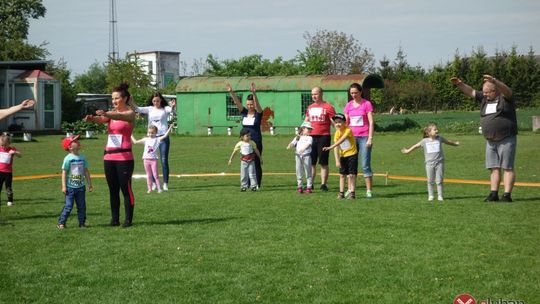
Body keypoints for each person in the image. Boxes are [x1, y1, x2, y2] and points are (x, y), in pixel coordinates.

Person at [451, 75, 517, 202]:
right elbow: (471, 91)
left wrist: (495, 81)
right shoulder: (484, 99)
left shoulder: (505, 98)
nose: (485, 95)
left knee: (507, 167)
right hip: (490, 140)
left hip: (506, 138)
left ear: (495, 90)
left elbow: (508, 91)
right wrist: (459, 84)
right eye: (484, 92)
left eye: (487, 92)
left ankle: (507, 195)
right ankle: (494, 194)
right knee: (494, 167)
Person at [84, 83, 136, 227]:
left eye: (117, 98)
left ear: (125, 98)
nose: (114, 101)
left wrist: (106, 113)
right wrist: (92, 119)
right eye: (112, 98)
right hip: (109, 157)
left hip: (124, 158)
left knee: (126, 189)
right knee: (113, 190)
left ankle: (128, 220)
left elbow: (119, 115)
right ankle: (114, 220)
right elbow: (101, 119)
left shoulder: (130, 113)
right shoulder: (111, 113)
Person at [400, 122, 460, 201]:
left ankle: (440, 196)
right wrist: (408, 151)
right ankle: (431, 195)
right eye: (435, 130)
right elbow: (415, 146)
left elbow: (448, 142)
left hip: (440, 163)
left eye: (437, 129)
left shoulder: (440, 138)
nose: (437, 131)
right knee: (430, 181)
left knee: (439, 180)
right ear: (429, 133)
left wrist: (455, 143)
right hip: (429, 164)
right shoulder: (424, 141)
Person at [132, 92, 176, 191]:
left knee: (164, 160)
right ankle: (153, 183)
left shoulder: (165, 109)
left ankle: (165, 183)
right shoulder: (150, 109)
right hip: (151, 139)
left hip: (163, 138)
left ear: (161, 100)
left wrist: (173, 106)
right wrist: (131, 101)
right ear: (152, 101)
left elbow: (171, 110)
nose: (156, 102)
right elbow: (138, 108)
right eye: (154, 100)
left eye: (158, 100)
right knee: (149, 160)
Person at [227, 82, 264, 188]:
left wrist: (254, 93)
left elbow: (258, 106)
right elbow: (237, 103)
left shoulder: (258, 114)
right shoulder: (244, 113)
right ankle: (246, 184)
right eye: (248, 104)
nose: (249, 106)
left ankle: (256, 184)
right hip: (245, 144)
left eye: (251, 104)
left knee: (256, 163)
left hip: (256, 142)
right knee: (246, 163)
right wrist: (231, 92)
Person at [343, 83, 375, 198]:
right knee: (351, 165)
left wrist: (370, 138)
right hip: (351, 138)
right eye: (351, 93)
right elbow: (345, 123)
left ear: (361, 92)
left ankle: (369, 190)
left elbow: (371, 122)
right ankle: (351, 190)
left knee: (365, 164)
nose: (354, 95)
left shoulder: (367, 104)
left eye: (355, 92)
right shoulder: (348, 106)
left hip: (365, 137)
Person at [57, 135, 93, 229]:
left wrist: (89, 184)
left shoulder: (82, 157)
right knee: (68, 206)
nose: (77, 142)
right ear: (69, 147)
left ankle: (82, 223)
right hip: (70, 188)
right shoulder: (68, 158)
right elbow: (64, 173)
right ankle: (61, 223)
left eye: (77, 140)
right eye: (74, 141)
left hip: (81, 187)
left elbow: (86, 171)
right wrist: (64, 186)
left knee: (82, 206)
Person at [305, 86, 336, 192]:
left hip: (324, 136)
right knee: (311, 162)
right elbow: (306, 121)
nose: (314, 96)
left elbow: (334, 122)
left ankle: (323, 184)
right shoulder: (309, 107)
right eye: (312, 94)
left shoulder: (328, 107)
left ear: (321, 94)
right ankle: (310, 183)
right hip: (311, 137)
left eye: (316, 94)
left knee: (323, 162)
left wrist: (339, 133)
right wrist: (301, 133)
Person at [322, 113, 358, 199]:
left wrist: (330, 147)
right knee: (342, 175)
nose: (337, 124)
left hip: (352, 155)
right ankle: (341, 193)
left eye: (340, 122)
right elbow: (336, 147)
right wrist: (337, 160)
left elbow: (341, 140)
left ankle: (352, 193)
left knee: (351, 175)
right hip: (343, 156)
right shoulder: (337, 133)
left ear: (344, 123)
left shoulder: (348, 130)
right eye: (336, 122)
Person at [131, 125, 173, 194]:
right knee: (148, 175)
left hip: (153, 160)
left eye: (152, 133)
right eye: (149, 132)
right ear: (147, 133)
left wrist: (170, 128)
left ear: (156, 133)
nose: (150, 134)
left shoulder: (157, 139)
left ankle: (159, 188)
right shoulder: (145, 139)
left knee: (155, 175)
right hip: (145, 160)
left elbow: (165, 136)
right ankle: (149, 188)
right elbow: (135, 142)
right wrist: (130, 134)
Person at [286, 121, 313, 193]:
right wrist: (289, 145)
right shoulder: (298, 137)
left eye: (311, 129)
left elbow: (309, 144)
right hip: (298, 156)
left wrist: (303, 149)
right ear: (303, 129)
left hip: (306, 156)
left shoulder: (310, 137)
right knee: (299, 171)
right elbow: (293, 143)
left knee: (308, 171)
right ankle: (300, 186)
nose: (310, 130)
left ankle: (309, 187)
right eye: (308, 129)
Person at [0, 133, 21, 208]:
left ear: (9, 144)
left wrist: (14, 152)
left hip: (8, 173)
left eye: (4, 145)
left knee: (8, 187)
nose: (3, 147)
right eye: (1, 145)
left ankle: (10, 201)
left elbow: (20, 155)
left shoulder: (11, 149)